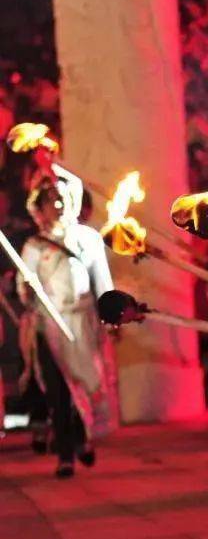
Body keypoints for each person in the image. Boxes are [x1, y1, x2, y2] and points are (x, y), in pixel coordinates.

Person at [18, 166, 117, 477]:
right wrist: (29, 289)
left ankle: (83, 439)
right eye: (50, 201)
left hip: (85, 324)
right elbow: (25, 289)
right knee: (59, 390)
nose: (58, 206)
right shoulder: (34, 246)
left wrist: (112, 315)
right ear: (40, 207)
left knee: (87, 386)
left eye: (62, 199)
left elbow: (102, 283)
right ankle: (65, 454)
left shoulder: (88, 239)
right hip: (50, 326)